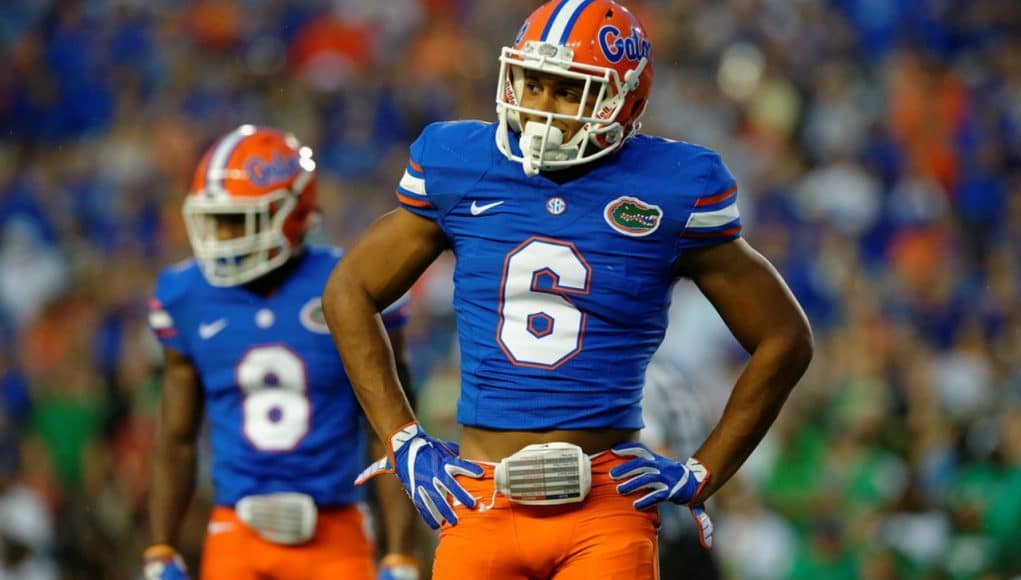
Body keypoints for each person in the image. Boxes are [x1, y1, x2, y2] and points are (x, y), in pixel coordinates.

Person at [323, 1, 813, 578]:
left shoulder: (673, 187)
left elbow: (785, 337)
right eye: (532, 83)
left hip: (604, 504)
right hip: (479, 496)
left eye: (565, 91)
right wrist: (403, 440)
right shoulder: (459, 163)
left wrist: (703, 471)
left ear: (622, 101)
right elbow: (347, 290)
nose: (538, 108)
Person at [143, 125, 420, 580]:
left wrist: (400, 552)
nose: (221, 237)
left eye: (237, 221)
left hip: (335, 530)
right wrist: (160, 549)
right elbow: (175, 438)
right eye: (216, 221)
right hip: (235, 530)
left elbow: (391, 433)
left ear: (290, 215)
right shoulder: (185, 295)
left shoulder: (349, 286)